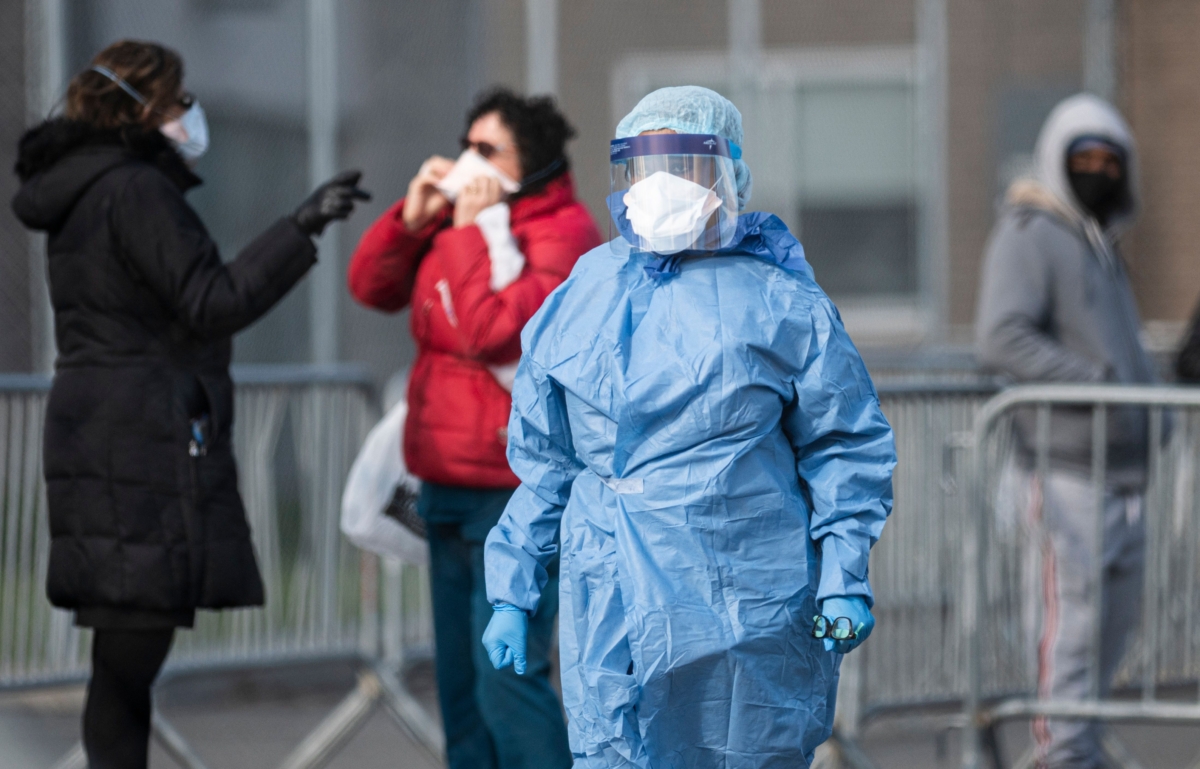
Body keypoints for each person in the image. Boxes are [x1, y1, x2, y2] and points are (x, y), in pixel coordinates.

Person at [480, 86, 895, 768]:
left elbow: (843, 445)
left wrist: (844, 574)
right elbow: (546, 460)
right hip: (609, 593)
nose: (664, 181)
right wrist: (513, 587)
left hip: (741, 600)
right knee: (615, 753)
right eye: (647, 165)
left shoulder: (781, 301)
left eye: (686, 162)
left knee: (738, 750)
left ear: (727, 172)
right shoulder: (587, 287)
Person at [11, 40, 368, 769]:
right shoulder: (135, 189)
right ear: (143, 108)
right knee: (129, 656)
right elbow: (213, 299)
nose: (188, 115)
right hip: (137, 438)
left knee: (122, 658)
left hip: (98, 431)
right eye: (178, 101)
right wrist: (298, 228)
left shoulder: (84, 190)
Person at [347, 87, 601, 769]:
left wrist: (467, 231)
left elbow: (491, 331)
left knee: (506, 682)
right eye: (467, 144)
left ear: (534, 164)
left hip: (511, 490)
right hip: (442, 480)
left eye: (488, 150)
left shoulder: (562, 233)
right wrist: (412, 216)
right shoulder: (463, 220)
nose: (468, 161)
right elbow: (371, 285)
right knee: (459, 688)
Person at [976, 93, 1153, 769]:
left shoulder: (1100, 246)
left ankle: (1081, 746)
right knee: (1069, 623)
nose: (1099, 170)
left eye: (1112, 159)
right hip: (1068, 466)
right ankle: (1062, 753)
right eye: (1085, 158)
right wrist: (1092, 383)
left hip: (1125, 472)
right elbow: (1001, 335)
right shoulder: (1032, 233)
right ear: (1058, 159)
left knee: (1110, 626)